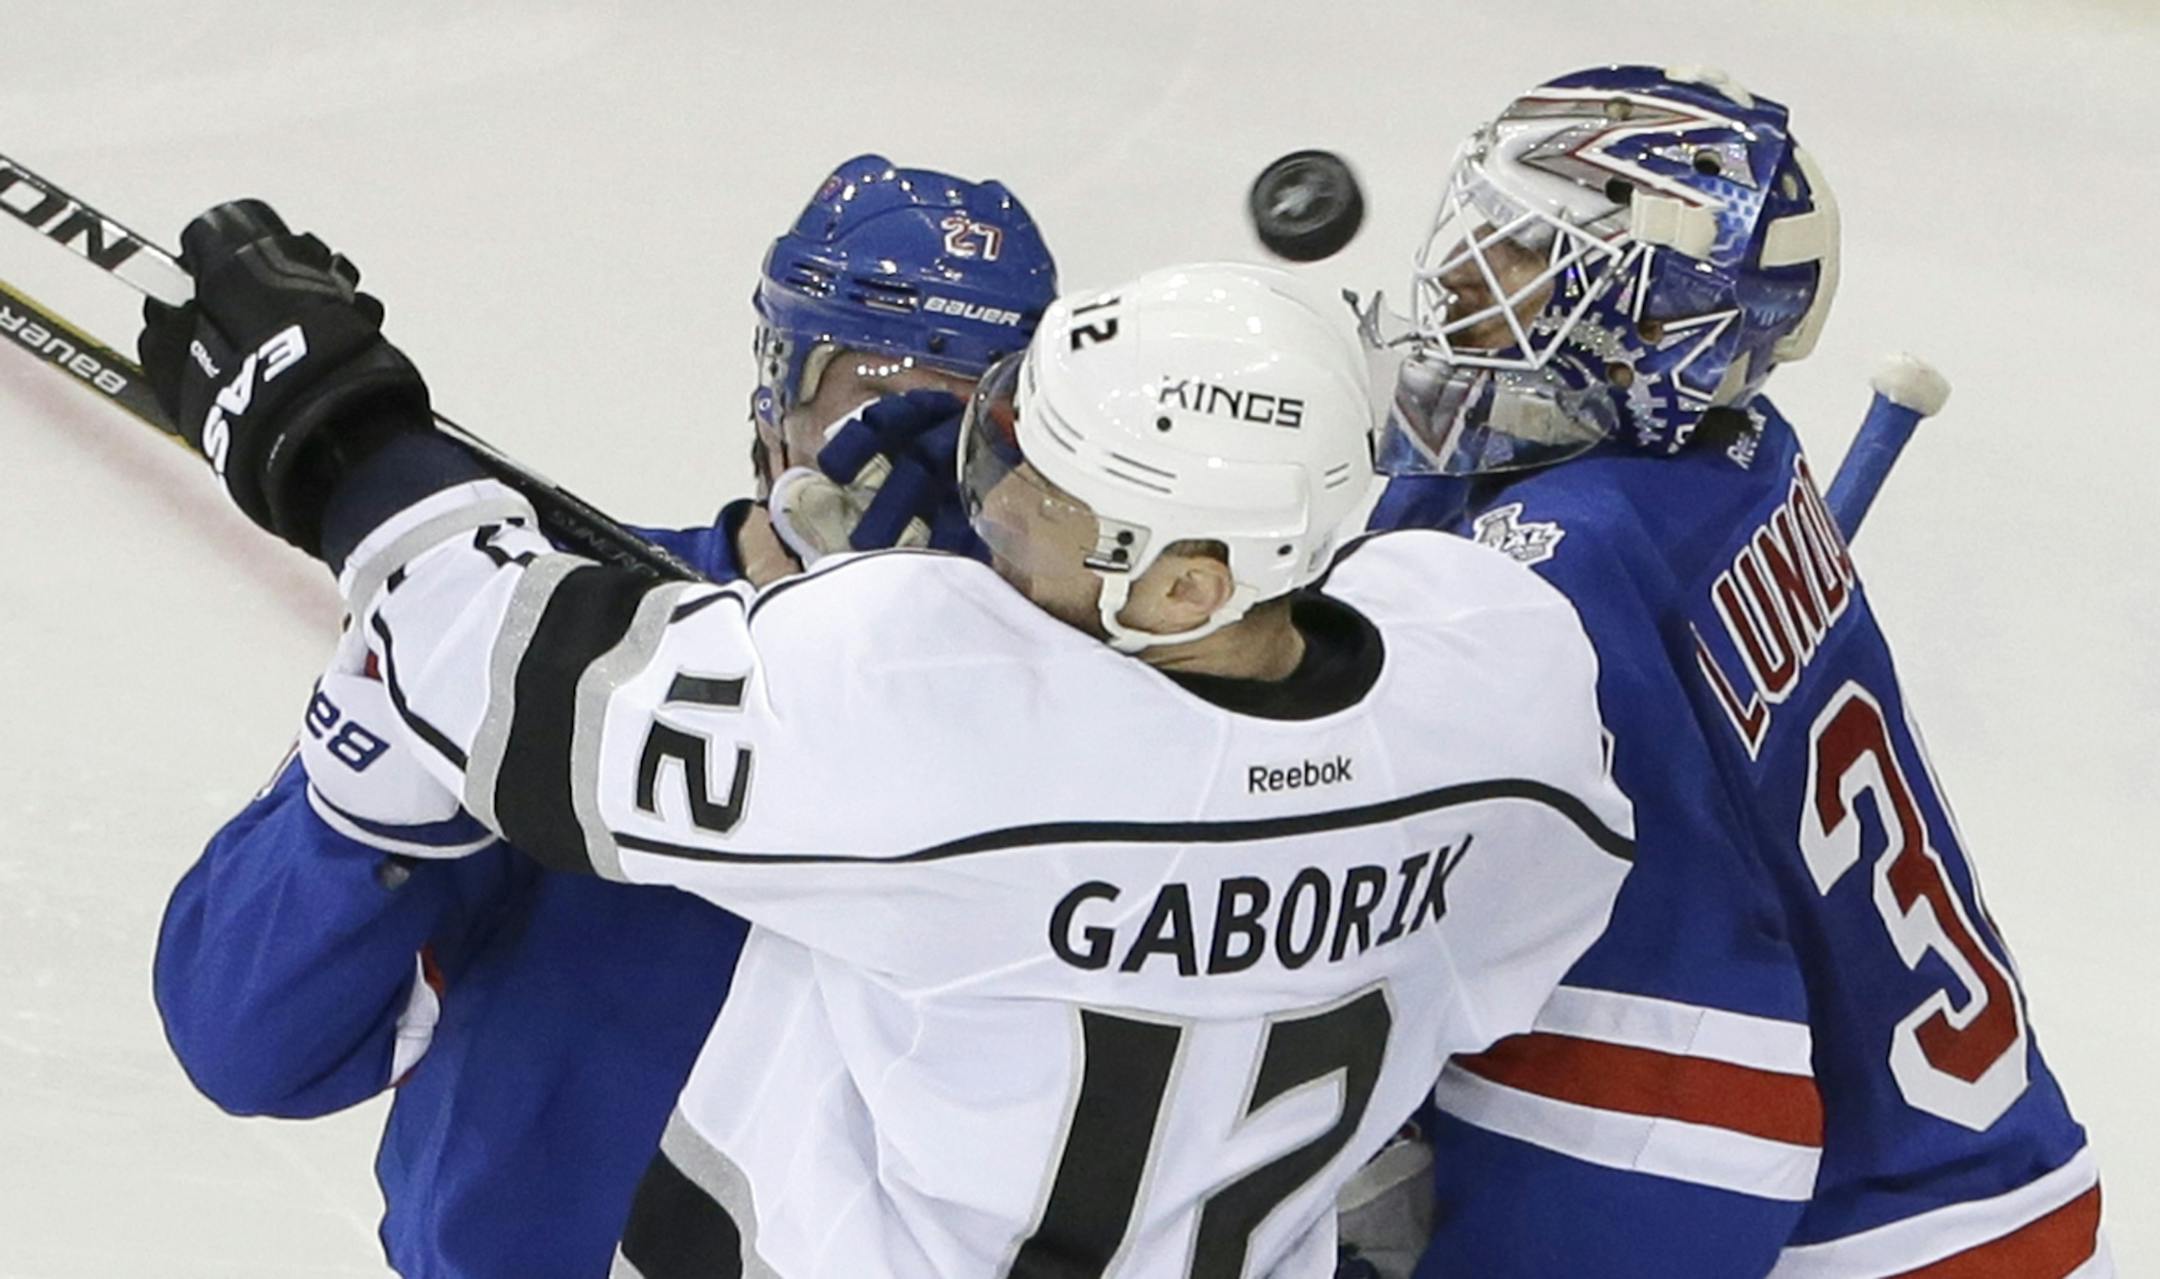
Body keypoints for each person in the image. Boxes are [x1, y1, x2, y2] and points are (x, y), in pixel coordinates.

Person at [139, 204, 1637, 1278]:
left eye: (1016, 445)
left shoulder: (896, 706)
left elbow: (482, 649)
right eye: (926, 405)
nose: (977, 480)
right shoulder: (1480, 704)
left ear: (1179, 575)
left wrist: (335, 440)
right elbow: (247, 1032)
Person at [149, 155, 1057, 1279]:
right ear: (773, 400)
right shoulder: (549, 650)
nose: (906, 452)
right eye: (872, 393)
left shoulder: (1081, 721)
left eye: (966, 411)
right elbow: (248, 1040)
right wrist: (386, 769)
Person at [1356, 66, 2108, 1275]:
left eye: (1520, 257)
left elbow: (1677, 1023)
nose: (1456, 281)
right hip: (1965, 1149)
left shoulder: (1568, 566)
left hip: (1858, 1222)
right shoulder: (1734, 461)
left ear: (1656, 324)